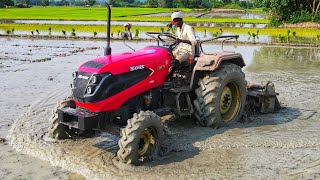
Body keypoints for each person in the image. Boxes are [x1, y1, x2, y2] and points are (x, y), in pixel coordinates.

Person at [168, 11, 197, 78]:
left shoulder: (188, 28)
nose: (176, 23)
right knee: (167, 55)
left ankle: (168, 76)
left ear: (181, 20)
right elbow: (172, 28)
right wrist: (171, 26)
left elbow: (194, 41)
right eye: (174, 21)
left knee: (176, 61)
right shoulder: (178, 28)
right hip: (180, 49)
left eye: (177, 21)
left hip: (188, 51)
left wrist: (181, 40)